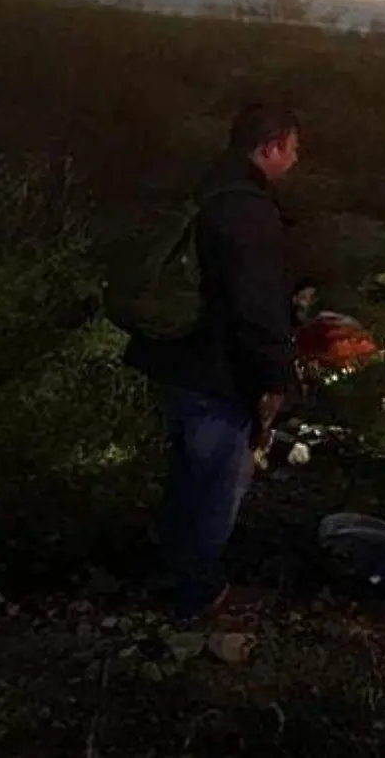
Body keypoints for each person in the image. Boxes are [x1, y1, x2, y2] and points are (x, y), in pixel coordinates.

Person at [124, 104, 303, 623]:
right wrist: (275, 378)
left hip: (173, 356)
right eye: (292, 149)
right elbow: (256, 307)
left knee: (186, 473)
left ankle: (170, 566)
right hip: (214, 371)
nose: (293, 161)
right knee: (218, 483)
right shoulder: (248, 209)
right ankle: (197, 592)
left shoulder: (205, 186)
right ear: (270, 146)